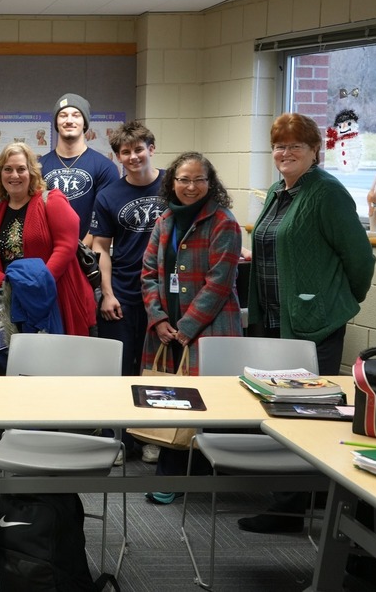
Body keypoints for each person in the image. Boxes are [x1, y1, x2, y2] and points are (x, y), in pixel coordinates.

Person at [239, 112, 374, 534]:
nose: (285, 153)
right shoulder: (281, 191)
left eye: (295, 146)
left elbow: (360, 258)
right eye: (279, 145)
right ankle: (291, 500)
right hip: (275, 319)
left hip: (313, 322)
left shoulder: (327, 193)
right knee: (278, 409)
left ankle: (290, 510)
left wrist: (341, 300)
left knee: (306, 413)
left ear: (316, 150)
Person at [139, 152, 243, 502]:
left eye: (199, 179)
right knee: (171, 401)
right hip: (167, 329)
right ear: (173, 182)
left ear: (210, 184)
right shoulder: (165, 220)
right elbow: (149, 274)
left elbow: (219, 282)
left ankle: (184, 478)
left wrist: (186, 326)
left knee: (202, 404)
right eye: (183, 179)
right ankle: (175, 475)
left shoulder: (223, 222)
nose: (191, 186)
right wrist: (159, 319)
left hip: (208, 328)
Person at [0, 143, 96, 356]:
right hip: (10, 301)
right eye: (8, 169)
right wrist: (5, 285)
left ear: (31, 172)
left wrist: (36, 285)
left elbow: (66, 246)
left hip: (53, 298)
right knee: (13, 367)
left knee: (55, 368)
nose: (14, 175)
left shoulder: (52, 201)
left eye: (21, 169)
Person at [91, 120, 166, 379]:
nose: (133, 157)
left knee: (156, 370)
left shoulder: (175, 186)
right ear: (118, 156)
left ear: (152, 149)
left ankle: (150, 421)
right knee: (118, 368)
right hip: (123, 293)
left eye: (139, 149)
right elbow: (100, 246)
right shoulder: (108, 195)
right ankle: (117, 421)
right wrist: (107, 294)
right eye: (125, 152)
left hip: (164, 292)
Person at [39, 93, 119, 241]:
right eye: (63, 115)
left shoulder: (105, 167)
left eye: (76, 115)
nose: (69, 120)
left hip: (88, 257)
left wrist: (79, 251)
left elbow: (104, 217)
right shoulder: (39, 167)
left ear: (85, 122)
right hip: (48, 255)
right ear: (56, 122)